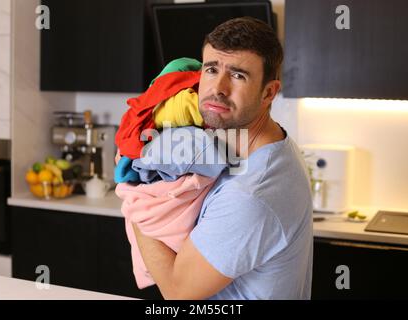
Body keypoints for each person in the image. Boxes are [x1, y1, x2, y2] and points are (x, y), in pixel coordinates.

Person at [132, 17, 313, 300]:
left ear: (269, 93)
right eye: (211, 69)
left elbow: (179, 294)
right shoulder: (261, 145)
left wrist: (137, 200)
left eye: (238, 75)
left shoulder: (252, 194)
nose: (218, 88)